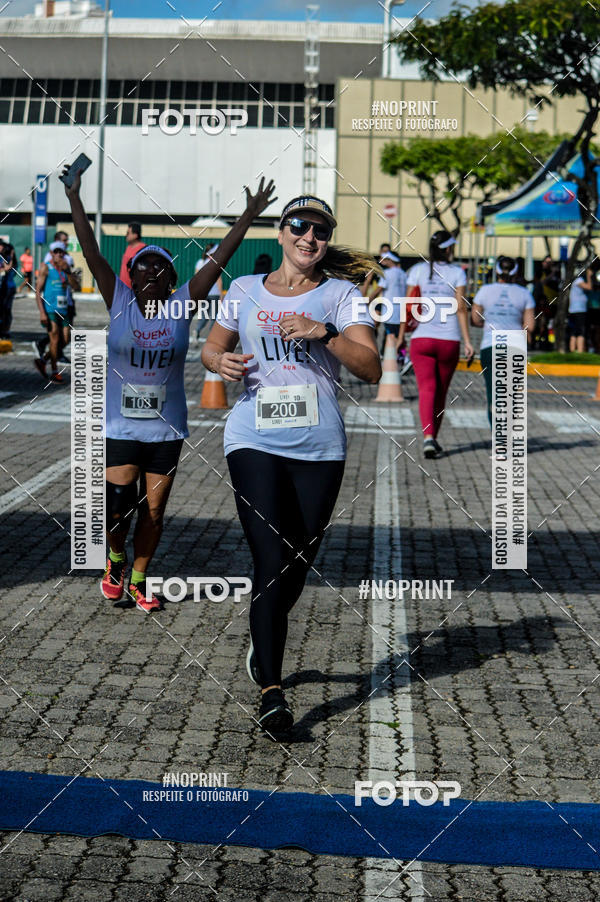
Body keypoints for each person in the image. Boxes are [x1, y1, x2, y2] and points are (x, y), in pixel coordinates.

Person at [202, 195, 381, 737]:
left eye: (320, 231)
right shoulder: (244, 291)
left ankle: (266, 635)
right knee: (269, 559)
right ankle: (272, 694)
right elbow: (211, 348)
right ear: (280, 233)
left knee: (296, 566)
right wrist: (220, 361)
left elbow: (371, 368)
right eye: (299, 226)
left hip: (319, 446)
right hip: (253, 436)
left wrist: (324, 333)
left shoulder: (342, 295)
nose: (309, 237)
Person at [63, 161, 276, 613]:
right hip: (120, 426)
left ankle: (139, 577)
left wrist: (249, 216)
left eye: (160, 269)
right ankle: (114, 559)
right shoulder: (118, 300)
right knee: (118, 507)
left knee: (154, 513)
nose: (151, 275)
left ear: (173, 281)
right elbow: (91, 250)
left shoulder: (182, 307)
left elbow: (218, 259)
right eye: (143, 268)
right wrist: (74, 197)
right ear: (132, 277)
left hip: (166, 430)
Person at [398, 230, 473, 459]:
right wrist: (468, 342)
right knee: (441, 392)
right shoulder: (458, 273)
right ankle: (434, 438)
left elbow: (408, 305)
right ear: (449, 249)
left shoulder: (418, 271)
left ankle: (429, 437)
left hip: (422, 338)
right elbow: (461, 308)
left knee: (426, 390)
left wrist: (401, 335)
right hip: (449, 339)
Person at [471, 256, 535, 427]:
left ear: (497, 271)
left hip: (490, 346)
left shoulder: (484, 291)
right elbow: (530, 325)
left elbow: (476, 319)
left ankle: (499, 443)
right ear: (516, 272)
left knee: (494, 394)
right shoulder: (524, 294)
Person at [34, 241, 81, 382]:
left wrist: (68, 272)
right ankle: (55, 371)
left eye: (62, 252)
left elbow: (76, 287)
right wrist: (42, 312)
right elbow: (37, 291)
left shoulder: (65, 268)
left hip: (64, 308)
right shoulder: (45, 268)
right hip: (50, 308)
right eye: (57, 252)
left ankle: (43, 361)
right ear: (52, 254)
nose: (60, 255)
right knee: (54, 338)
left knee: (65, 339)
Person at [369, 251, 407, 351]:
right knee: (398, 335)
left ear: (390, 260)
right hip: (401, 311)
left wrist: (367, 301)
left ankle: (389, 357)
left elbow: (378, 290)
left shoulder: (387, 273)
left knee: (390, 336)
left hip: (390, 311)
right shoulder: (403, 274)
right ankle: (401, 357)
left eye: (384, 259)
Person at [194, 243, 223, 340]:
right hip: (214, 293)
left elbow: (196, 277)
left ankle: (197, 330)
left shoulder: (200, 262)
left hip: (204, 292)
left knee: (204, 315)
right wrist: (221, 294)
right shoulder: (215, 263)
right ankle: (212, 335)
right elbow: (219, 280)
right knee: (214, 316)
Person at [568, 267, 591, 353]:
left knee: (574, 331)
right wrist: (589, 276)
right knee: (580, 331)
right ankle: (579, 352)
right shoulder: (579, 280)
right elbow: (589, 287)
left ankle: (573, 351)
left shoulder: (574, 281)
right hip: (579, 310)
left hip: (574, 310)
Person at [119, 222, 146, 289]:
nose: (126, 235)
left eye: (128, 233)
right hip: (123, 288)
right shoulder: (128, 248)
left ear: (135, 235)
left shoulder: (142, 249)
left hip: (134, 290)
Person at [0, 241, 17, 339]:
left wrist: (11, 256)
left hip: (8, 288)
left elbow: (9, 269)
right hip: (4, 288)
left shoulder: (9, 259)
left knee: (6, 310)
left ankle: (5, 330)